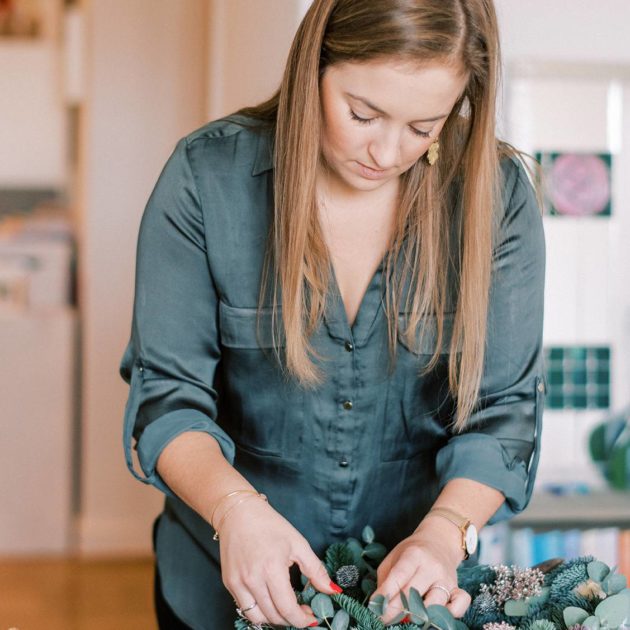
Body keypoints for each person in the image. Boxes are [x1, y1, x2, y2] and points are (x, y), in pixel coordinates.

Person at [119, 1, 546, 628]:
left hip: (405, 604)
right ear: (312, 66)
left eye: (423, 126)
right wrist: (235, 508)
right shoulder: (206, 178)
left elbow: (504, 413)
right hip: (212, 586)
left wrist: (444, 532)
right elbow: (168, 398)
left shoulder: (497, 197)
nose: (387, 151)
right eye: (362, 114)